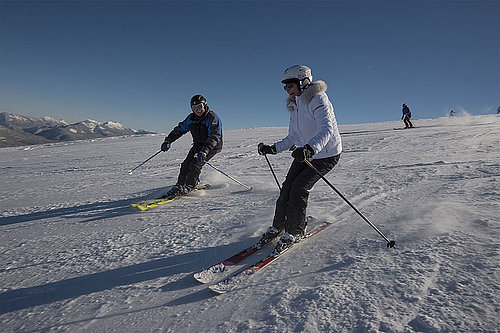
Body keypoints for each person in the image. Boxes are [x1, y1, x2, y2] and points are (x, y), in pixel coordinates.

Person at [257, 65, 342, 256]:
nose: (287, 90)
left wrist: (310, 149)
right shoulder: (295, 106)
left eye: (290, 86)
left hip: (326, 154)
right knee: (287, 187)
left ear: (303, 82)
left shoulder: (318, 99)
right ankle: (278, 227)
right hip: (307, 152)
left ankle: (295, 231)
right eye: (285, 87)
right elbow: (293, 137)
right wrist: (273, 148)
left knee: (299, 188)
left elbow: (326, 130)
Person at [160, 94, 223, 198]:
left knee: (195, 164)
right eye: (194, 108)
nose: (198, 110)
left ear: (205, 105)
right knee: (185, 164)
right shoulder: (191, 118)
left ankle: (190, 185)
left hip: (212, 146)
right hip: (198, 145)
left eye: (200, 107)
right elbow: (179, 130)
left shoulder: (212, 118)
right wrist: (168, 140)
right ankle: (179, 185)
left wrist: (205, 151)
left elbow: (214, 136)